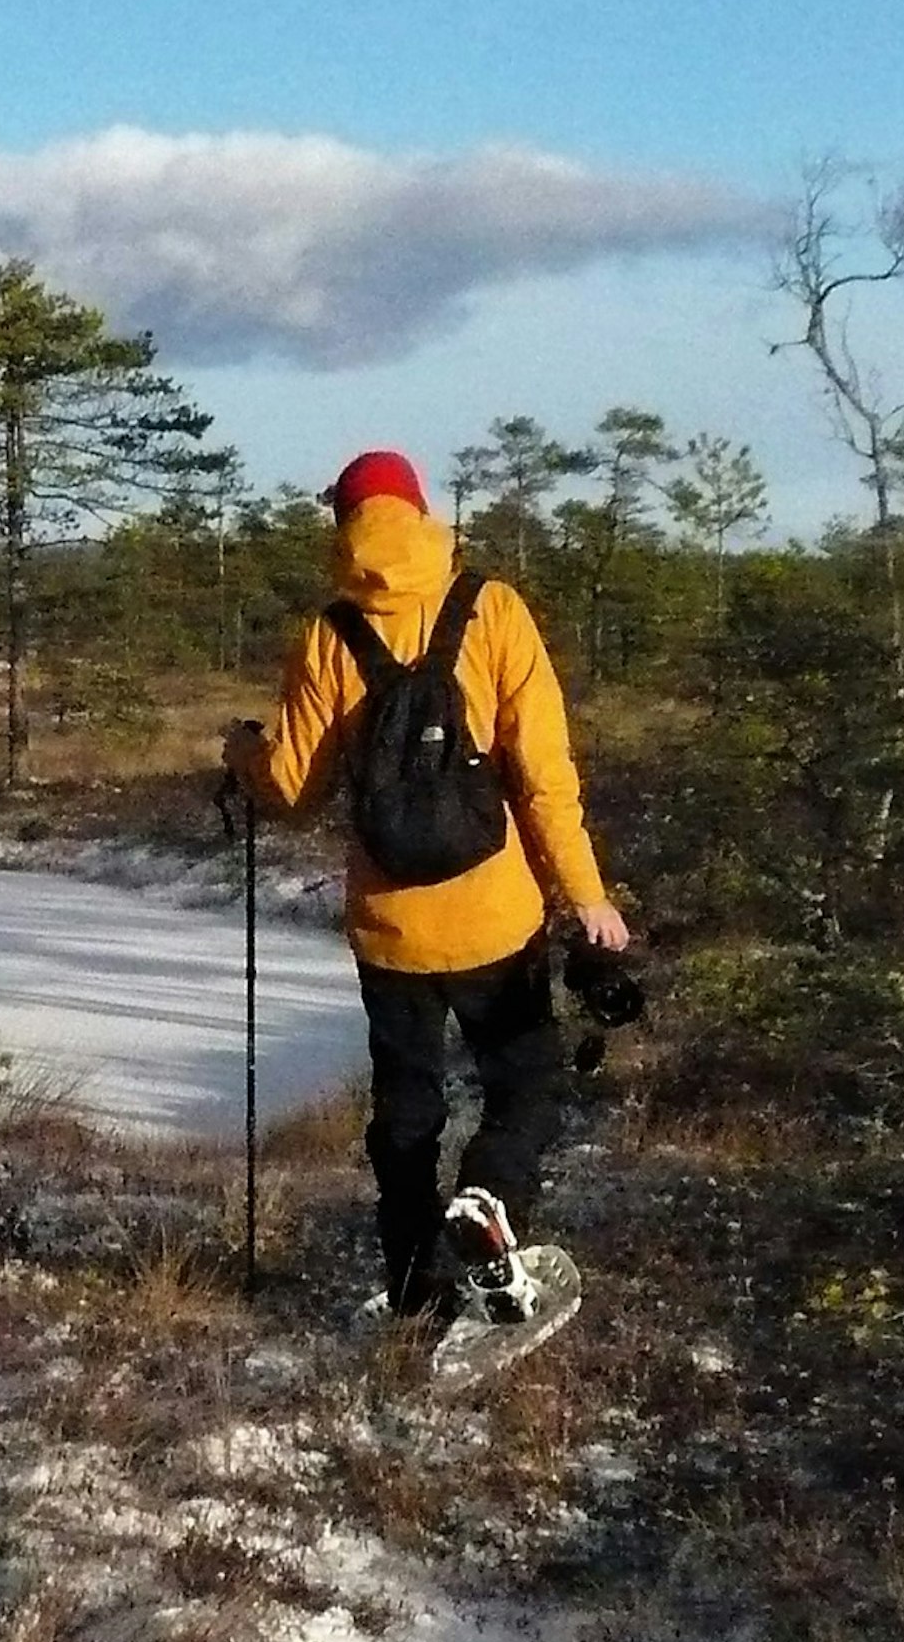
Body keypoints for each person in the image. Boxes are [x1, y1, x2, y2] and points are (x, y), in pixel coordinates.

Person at [223, 450, 633, 1322]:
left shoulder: (329, 635)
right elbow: (545, 774)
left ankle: (414, 1286)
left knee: (407, 1112)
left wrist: (242, 756)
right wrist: (587, 896)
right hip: (497, 915)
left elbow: (291, 789)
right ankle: (488, 1201)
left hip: (390, 931)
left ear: (344, 522)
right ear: (421, 513)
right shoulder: (494, 609)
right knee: (525, 1083)